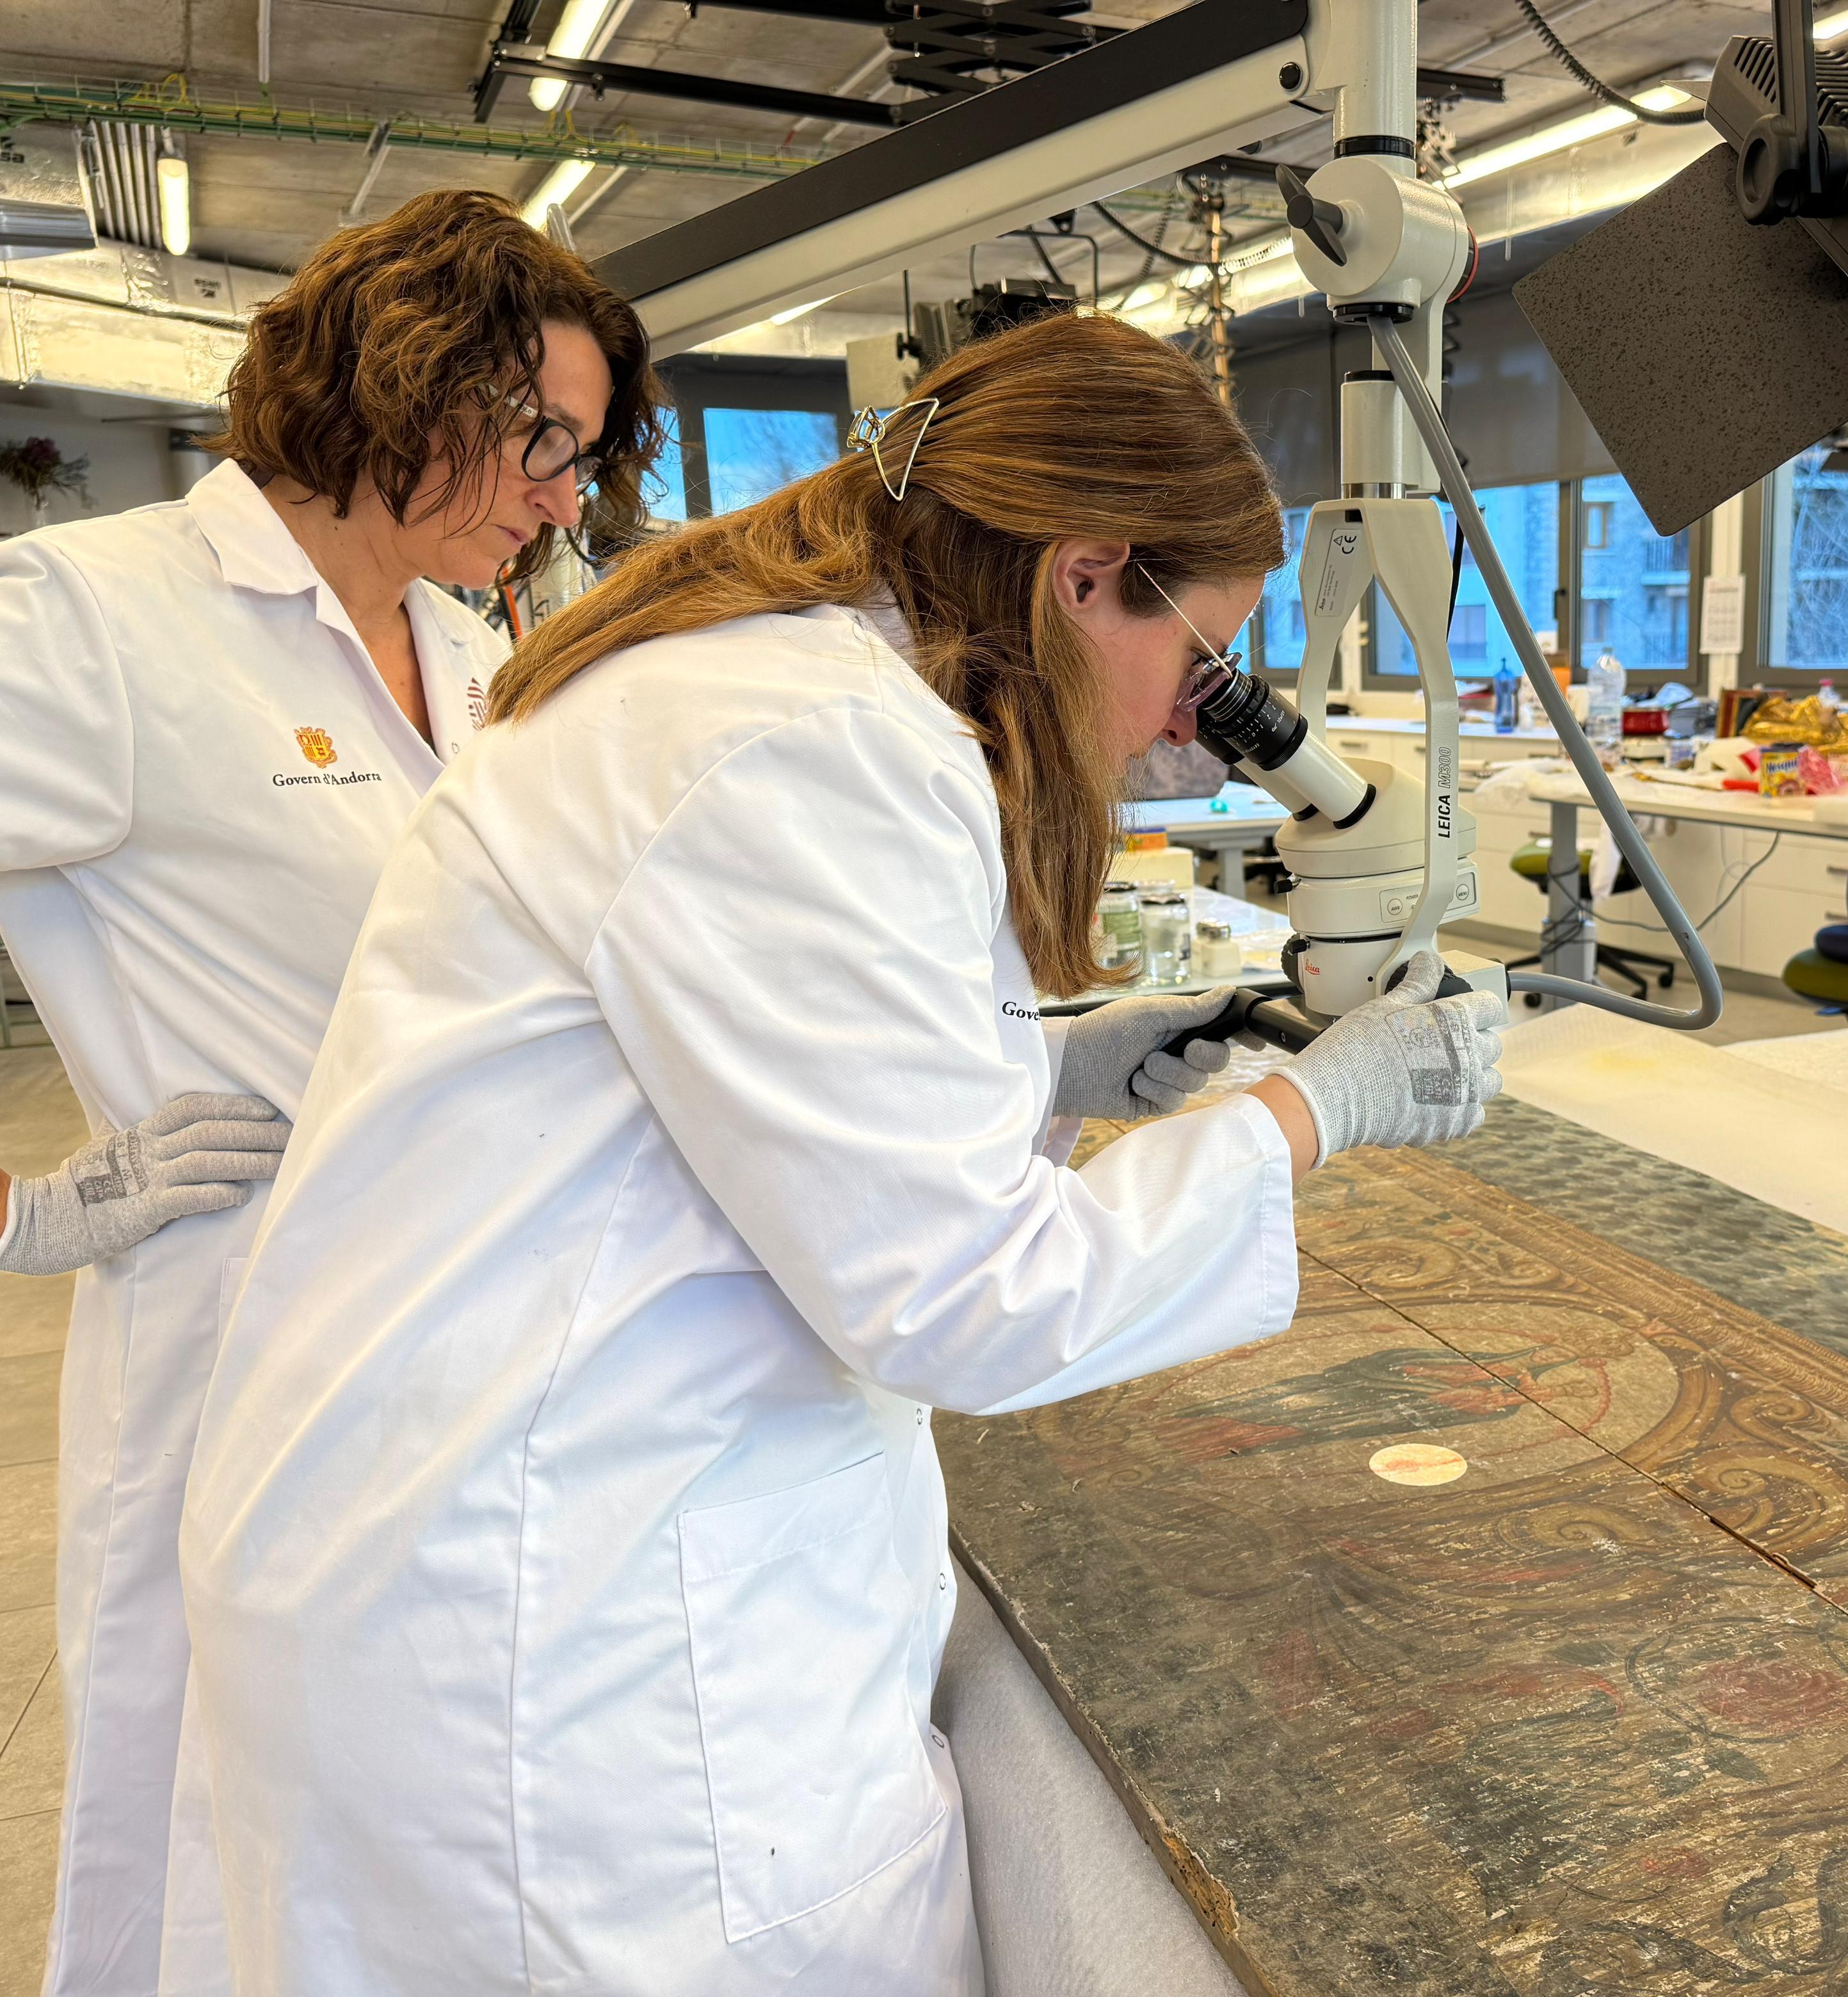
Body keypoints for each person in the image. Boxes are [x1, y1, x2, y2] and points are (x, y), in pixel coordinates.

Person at [176, 310, 1504, 1994]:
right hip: (562, 1656)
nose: (1193, 723)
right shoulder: (815, 744)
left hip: (468, 1536)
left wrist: (1073, 1057)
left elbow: (734, 1078)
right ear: (1086, 577)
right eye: (1207, 658)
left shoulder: (761, 682)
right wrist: (1328, 1107)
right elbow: (965, 1299)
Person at [0, 186, 662, 1996]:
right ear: (405, 383)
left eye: (585, 463)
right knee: (194, 1855)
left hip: (455, 1361)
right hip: (233, 1357)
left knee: (386, 1868)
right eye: (545, 442)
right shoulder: (98, 620)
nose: (560, 496)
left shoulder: (475, 653)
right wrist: (23, 1213)